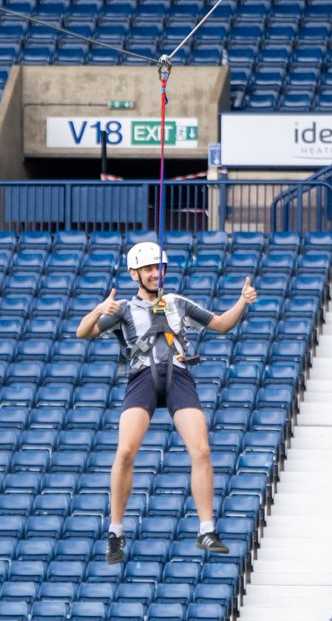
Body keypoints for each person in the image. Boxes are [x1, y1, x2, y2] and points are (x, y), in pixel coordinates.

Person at [76, 240, 258, 564]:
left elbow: (221, 324)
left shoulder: (177, 302)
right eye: (147, 269)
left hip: (179, 374)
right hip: (142, 376)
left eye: (157, 267)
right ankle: (115, 531)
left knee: (201, 450)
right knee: (126, 451)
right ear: (134, 274)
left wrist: (243, 303)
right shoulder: (123, 310)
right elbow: (83, 333)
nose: (154, 273)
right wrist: (98, 310)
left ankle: (206, 528)